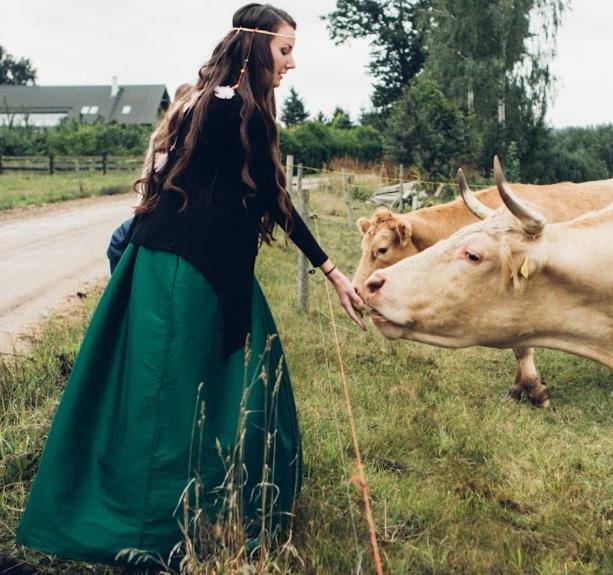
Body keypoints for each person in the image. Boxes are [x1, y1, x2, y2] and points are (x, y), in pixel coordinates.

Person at [16, 3, 365, 568]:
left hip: (197, 270)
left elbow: (266, 198)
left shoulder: (226, 107)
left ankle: (206, 516)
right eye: (284, 50)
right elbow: (272, 199)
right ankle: (151, 541)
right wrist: (332, 272)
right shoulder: (227, 109)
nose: (292, 63)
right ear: (255, 48)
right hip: (180, 273)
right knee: (167, 406)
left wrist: (331, 271)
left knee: (235, 391)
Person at [107, 83, 198, 273]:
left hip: (169, 211)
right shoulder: (167, 135)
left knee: (119, 242)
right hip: (168, 208)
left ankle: (123, 294)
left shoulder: (172, 134)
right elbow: (148, 179)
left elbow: (148, 180)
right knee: (121, 239)